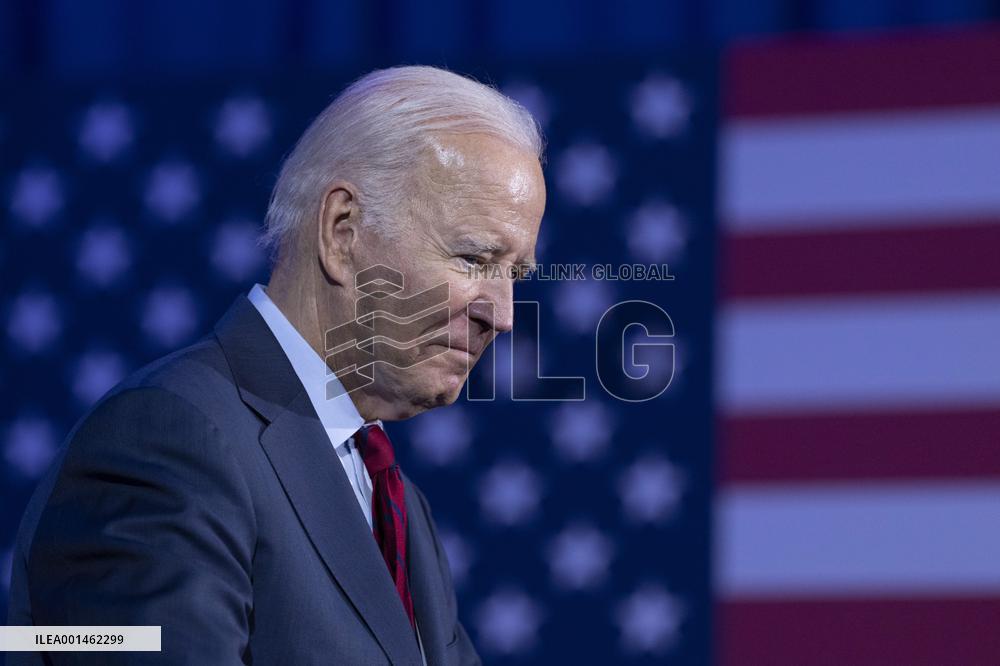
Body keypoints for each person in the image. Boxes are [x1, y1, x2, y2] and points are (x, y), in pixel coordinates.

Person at [6, 65, 546, 665]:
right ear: (343, 232)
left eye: (515, 275)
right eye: (475, 258)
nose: (502, 315)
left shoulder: (395, 502)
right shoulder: (166, 439)